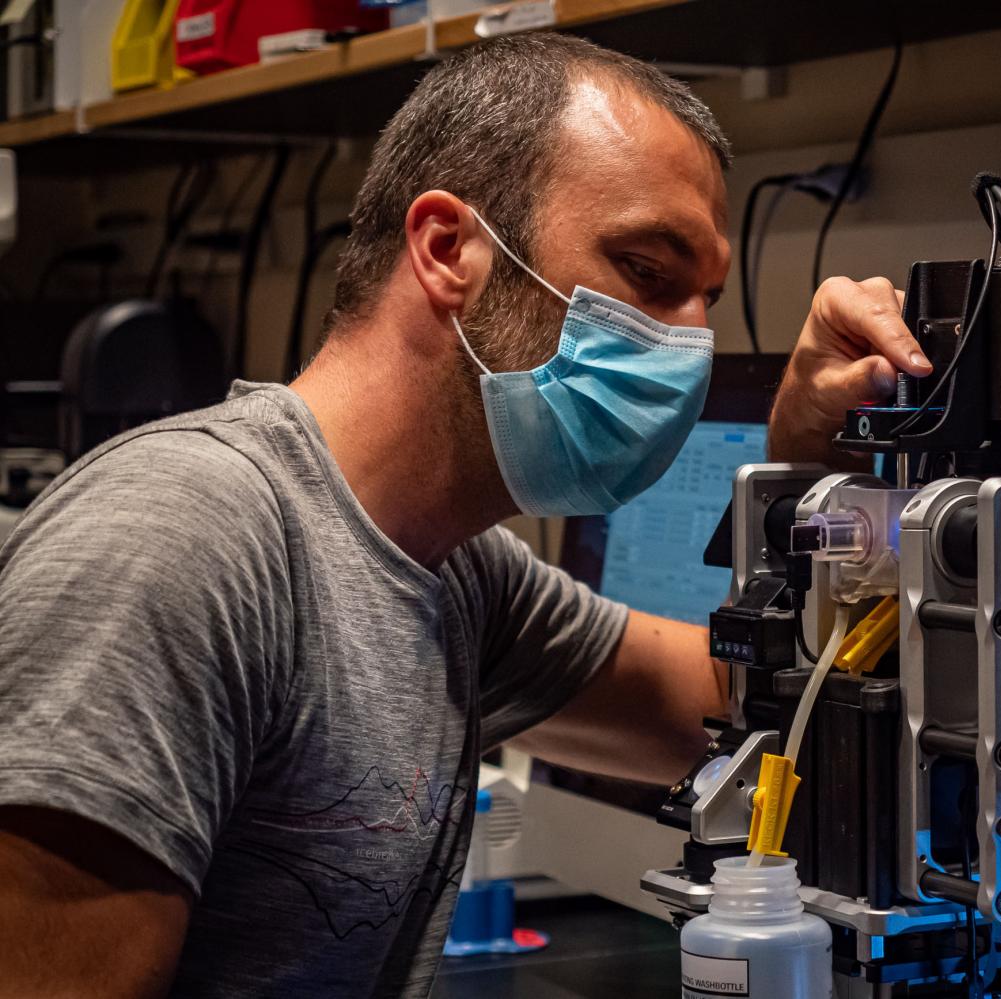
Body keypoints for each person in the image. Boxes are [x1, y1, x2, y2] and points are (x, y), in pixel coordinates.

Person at [0, 33, 931, 998]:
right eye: (647, 270)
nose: (690, 343)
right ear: (449, 249)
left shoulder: (452, 572)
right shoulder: (186, 542)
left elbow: (748, 704)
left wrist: (805, 464)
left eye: (705, 299)